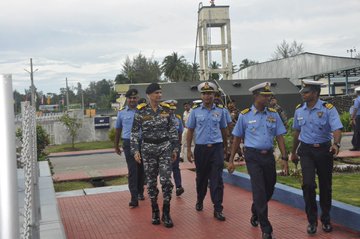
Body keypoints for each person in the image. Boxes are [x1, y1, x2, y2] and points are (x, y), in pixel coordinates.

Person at [227, 82, 288, 239]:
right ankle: (265, 227)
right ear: (256, 96)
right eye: (265, 95)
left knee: (270, 187)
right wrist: (231, 159)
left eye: (269, 95)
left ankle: (256, 211)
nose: (268, 97)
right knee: (259, 190)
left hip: (268, 156)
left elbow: (280, 136)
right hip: (252, 156)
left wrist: (284, 157)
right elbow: (236, 138)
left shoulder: (273, 114)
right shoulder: (244, 115)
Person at [290, 80, 343, 235]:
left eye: (306, 92)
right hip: (306, 151)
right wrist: (293, 152)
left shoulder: (328, 109)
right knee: (308, 184)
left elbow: (337, 128)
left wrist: (336, 144)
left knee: (325, 186)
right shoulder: (299, 110)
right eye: (302, 92)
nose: (303, 94)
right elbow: (296, 132)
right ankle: (312, 221)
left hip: (324, 150)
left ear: (315, 93)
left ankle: (325, 219)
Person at [131, 83, 179, 228]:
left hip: (164, 148)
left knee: (166, 181)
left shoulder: (166, 110)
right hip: (148, 149)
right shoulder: (141, 111)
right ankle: (155, 211)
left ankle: (166, 211)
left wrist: (175, 148)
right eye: (157, 93)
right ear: (149, 95)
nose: (159, 95)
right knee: (151, 182)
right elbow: (134, 132)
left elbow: (172, 130)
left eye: (160, 92)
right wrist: (135, 150)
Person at [186, 81, 228, 221]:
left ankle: (218, 208)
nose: (207, 96)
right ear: (201, 96)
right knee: (201, 179)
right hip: (201, 149)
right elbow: (190, 131)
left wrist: (226, 147)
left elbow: (224, 129)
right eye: (204, 94)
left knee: (217, 179)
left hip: (216, 148)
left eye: (209, 93)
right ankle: (200, 199)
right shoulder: (195, 111)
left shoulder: (221, 110)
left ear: (214, 94)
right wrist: (188, 150)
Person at [114, 88, 145, 208]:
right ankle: (134, 197)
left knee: (141, 169)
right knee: (132, 170)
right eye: (130, 98)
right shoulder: (121, 112)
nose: (132, 100)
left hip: (142, 142)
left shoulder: (143, 111)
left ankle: (140, 191)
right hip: (128, 143)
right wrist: (116, 145)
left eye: (134, 98)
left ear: (137, 98)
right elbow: (118, 129)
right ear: (127, 99)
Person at [165, 100, 185, 196]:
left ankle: (178, 186)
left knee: (175, 166)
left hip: (174, 145)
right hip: (164, 146)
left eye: (173, 109)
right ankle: (167, 186)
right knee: (165, 167)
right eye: (169, 109)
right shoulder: (161, 118)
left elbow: (180, 132)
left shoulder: (178, 118)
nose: (171, 111)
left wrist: (179, 143)